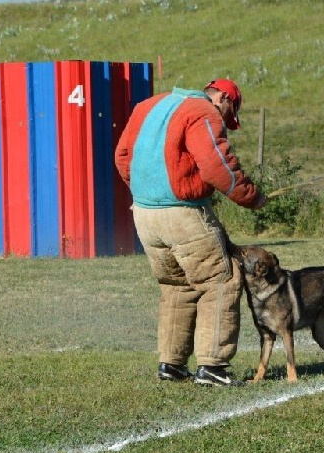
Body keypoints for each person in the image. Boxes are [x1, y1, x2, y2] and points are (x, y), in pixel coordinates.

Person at [114, 78, 267, 387]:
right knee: (221, 279)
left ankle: (171, 363)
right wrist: (251, 196)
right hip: (182, 213)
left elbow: (123, 156)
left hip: (144, 214)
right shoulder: (202, 112)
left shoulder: (148, 106)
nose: (225, 122)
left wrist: (145, 193)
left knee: (176, 286)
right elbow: (216, 165)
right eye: (229, 114)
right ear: (224, 98)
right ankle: (212, 366)